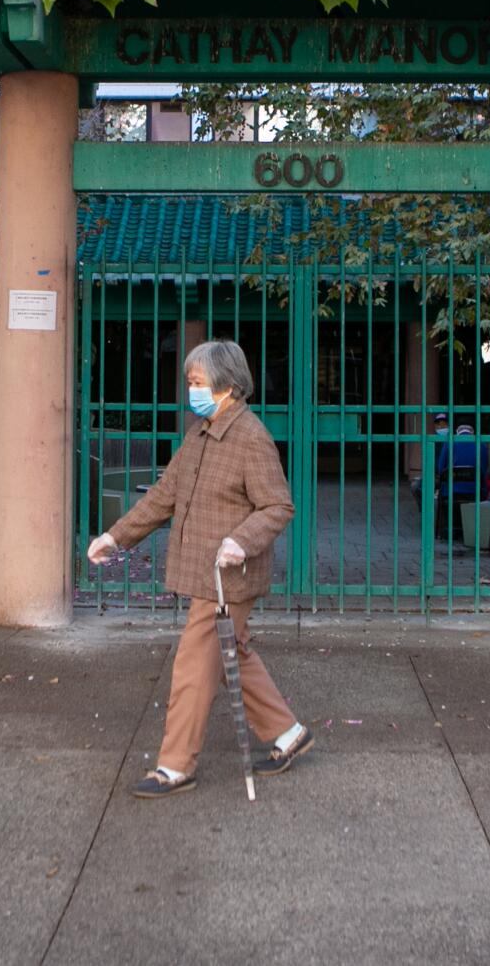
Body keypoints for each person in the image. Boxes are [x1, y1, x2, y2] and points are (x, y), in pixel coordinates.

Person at [86, 340, 314, 798]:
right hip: (204, 573)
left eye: (197, 381)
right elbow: (164, 494)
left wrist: (240, 540)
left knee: (194, 664)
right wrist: (116, 536)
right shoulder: (199, 433)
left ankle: (175, 766)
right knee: (234, 656)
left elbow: (277, 505)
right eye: (189, 381)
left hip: (228, 578)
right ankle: (289, 735)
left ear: (227, 386)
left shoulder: (251, 437)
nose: (190, 388)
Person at [433, 423, 481, 540]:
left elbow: (441, 467)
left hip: (451, 491)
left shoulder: (449, 443)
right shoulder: (481, 444)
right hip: (474, 490)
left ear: (457, 432)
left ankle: (445, 531)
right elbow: (483, 470)